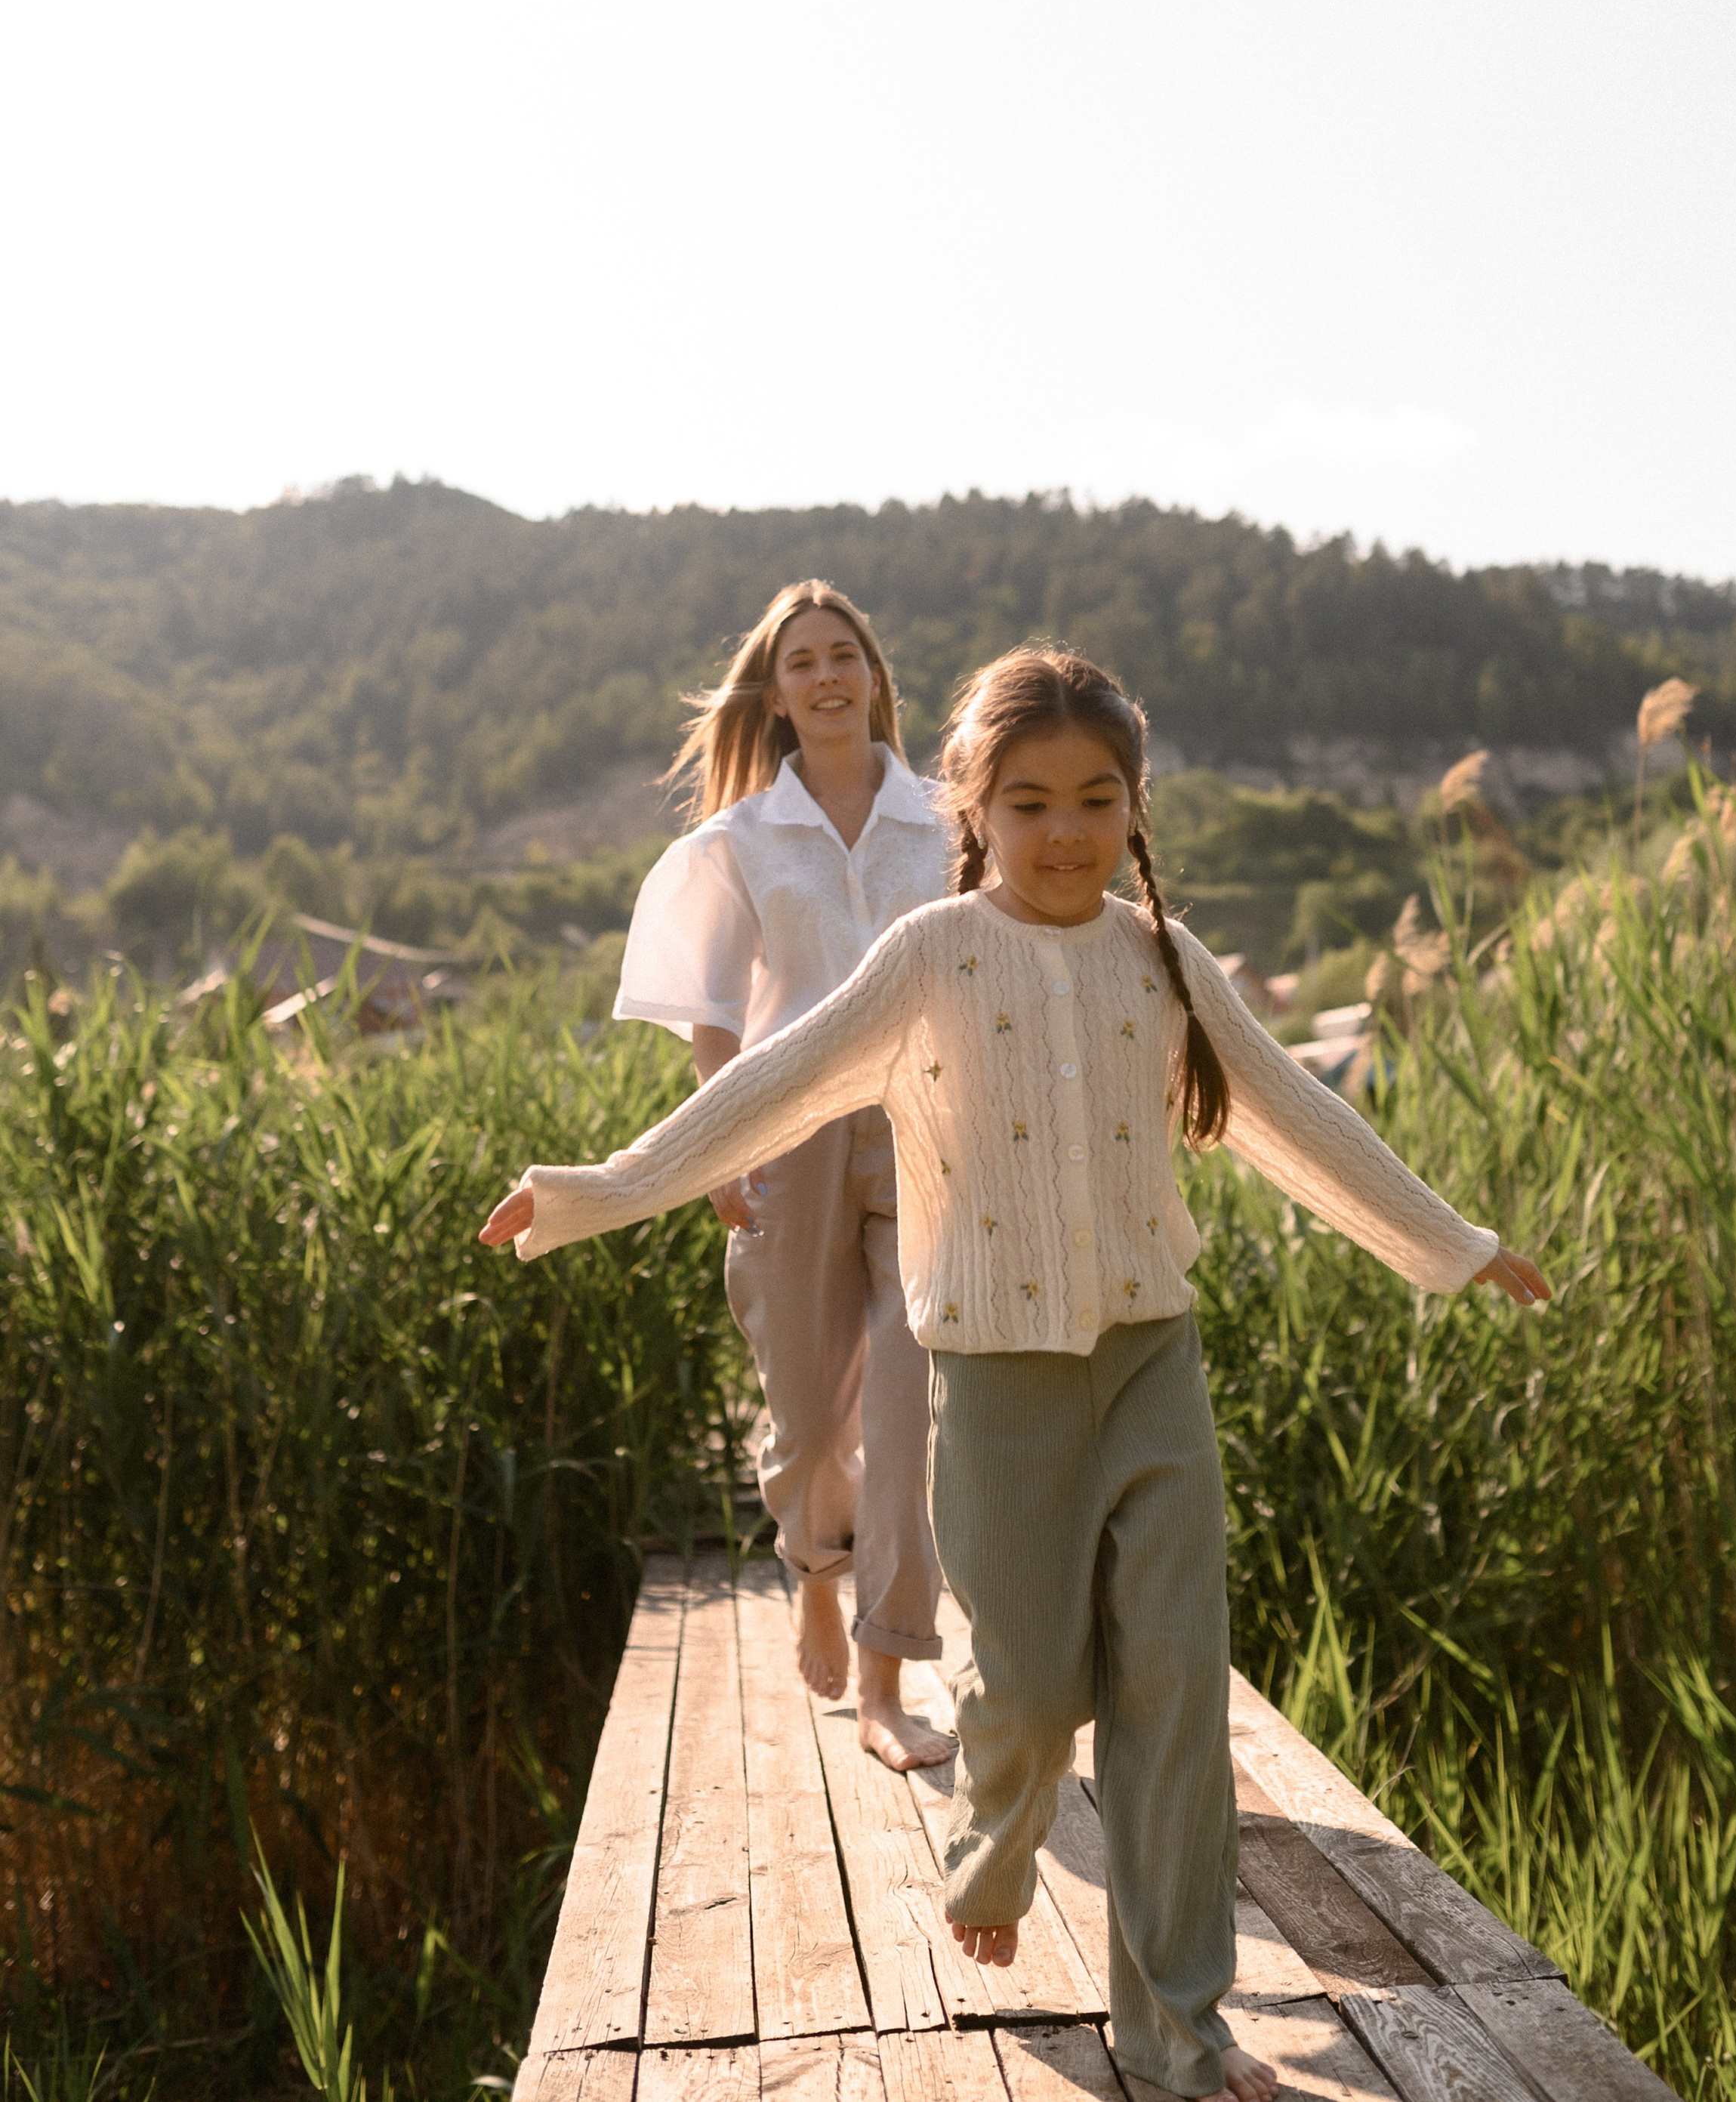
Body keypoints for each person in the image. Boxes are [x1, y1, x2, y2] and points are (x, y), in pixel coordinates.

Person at [483, 647, 1550, 2102]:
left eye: (1098, 800)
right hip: (993, 1382)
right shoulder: (930, 957)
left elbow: (1291, 1112)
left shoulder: (1164, 960)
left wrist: (1450, 1240)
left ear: (1134, 805)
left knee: (1177, 1687)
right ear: (973, 805)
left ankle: (1179, 2030)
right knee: (1037, 1695)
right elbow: (772, 1083)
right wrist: (602, 1187)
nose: (1067, 832)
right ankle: (997, 1832)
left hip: (1150, 1363)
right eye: (1032, 801)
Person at [612, 579, 954, 1771]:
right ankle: (817, 1564)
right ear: (775, 691)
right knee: (812, 1423)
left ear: (875, 675)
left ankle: (886, 1683)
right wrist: (723, 1138)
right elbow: (710, 1013)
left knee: (909, 1415)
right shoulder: (739, 843)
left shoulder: (948, 825)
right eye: (801, 659)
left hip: (923, 1133)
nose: (825, 675)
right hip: (791, 1134)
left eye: (844, 653)